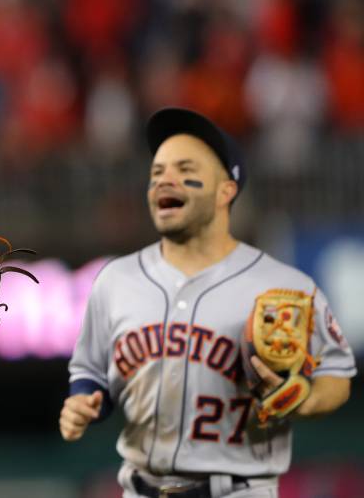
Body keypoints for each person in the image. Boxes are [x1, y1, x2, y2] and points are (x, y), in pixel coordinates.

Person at [60, 107, 355, 498]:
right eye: (157, 172)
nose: (166, 181)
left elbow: (337, 374)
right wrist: (83, 400)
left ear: (225, 190)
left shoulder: (282, 285)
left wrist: (305, 399)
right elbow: (90, 372)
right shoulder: (117, 279)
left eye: (185, 170)